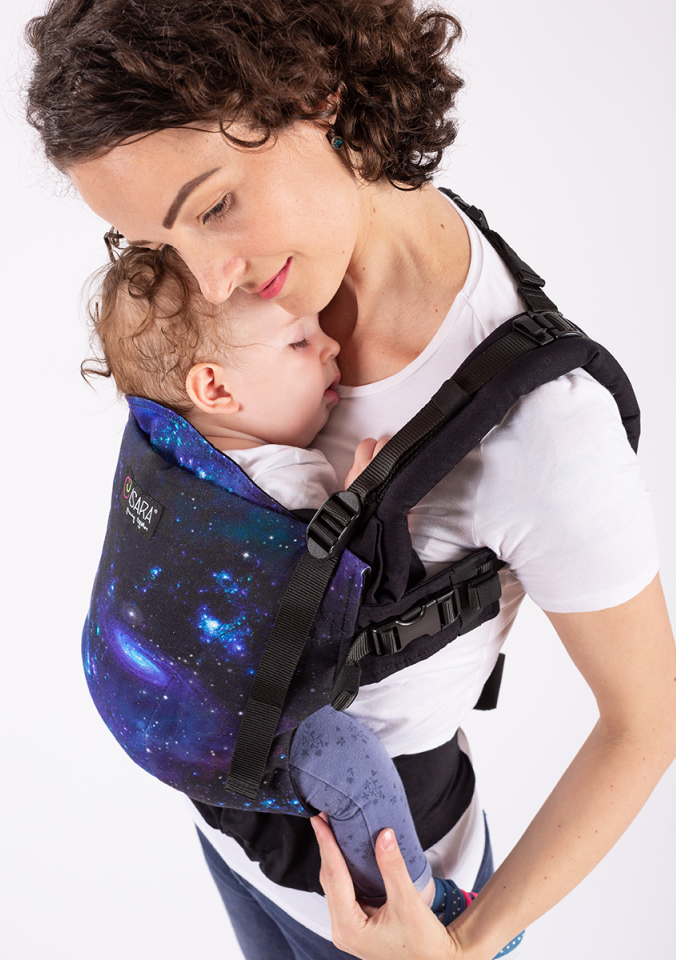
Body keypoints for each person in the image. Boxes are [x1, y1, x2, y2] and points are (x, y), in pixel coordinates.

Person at [24, 2, 676, 959]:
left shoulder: (544, 424)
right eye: (154, 242)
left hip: (388, 908)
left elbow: (645, 723)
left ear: (317, 95)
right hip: (233, 831)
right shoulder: (250, 288)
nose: (208, 284)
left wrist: (462, 946)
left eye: (214, 207)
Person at [86, 242, 483, 928]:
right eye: (300, 341)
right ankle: (420, 898)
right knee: (347, 763)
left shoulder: (163, 450)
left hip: (185, 756)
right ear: (216, 389)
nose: (331, 345)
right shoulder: (290, 484)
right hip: (259, 737)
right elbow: (347, 587)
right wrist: (364, 505)